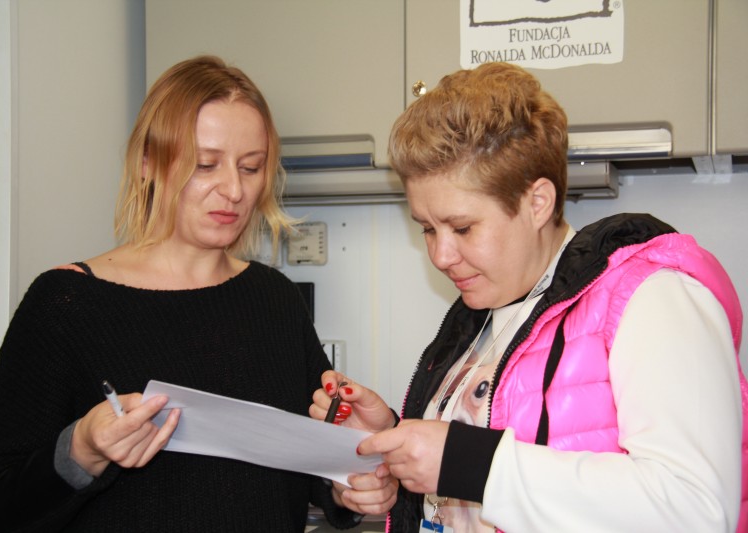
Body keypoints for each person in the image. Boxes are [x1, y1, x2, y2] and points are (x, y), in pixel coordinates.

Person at [311, 62, 748, 532]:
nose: (440, 255)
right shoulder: (480, 317)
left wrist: (474, 465)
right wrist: (390, 445)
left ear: (537, 202)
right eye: (427, 229)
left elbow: (697, 510)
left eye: (462, 228)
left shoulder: (655, 298)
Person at [0, 55, 394, 532]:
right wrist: (81, 450)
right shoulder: (66, 303)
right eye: (205, 165)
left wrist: (351, 485)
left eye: (251, 167)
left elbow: (311, 468)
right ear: (148, 163)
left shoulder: (274, 299)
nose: (234, 189)